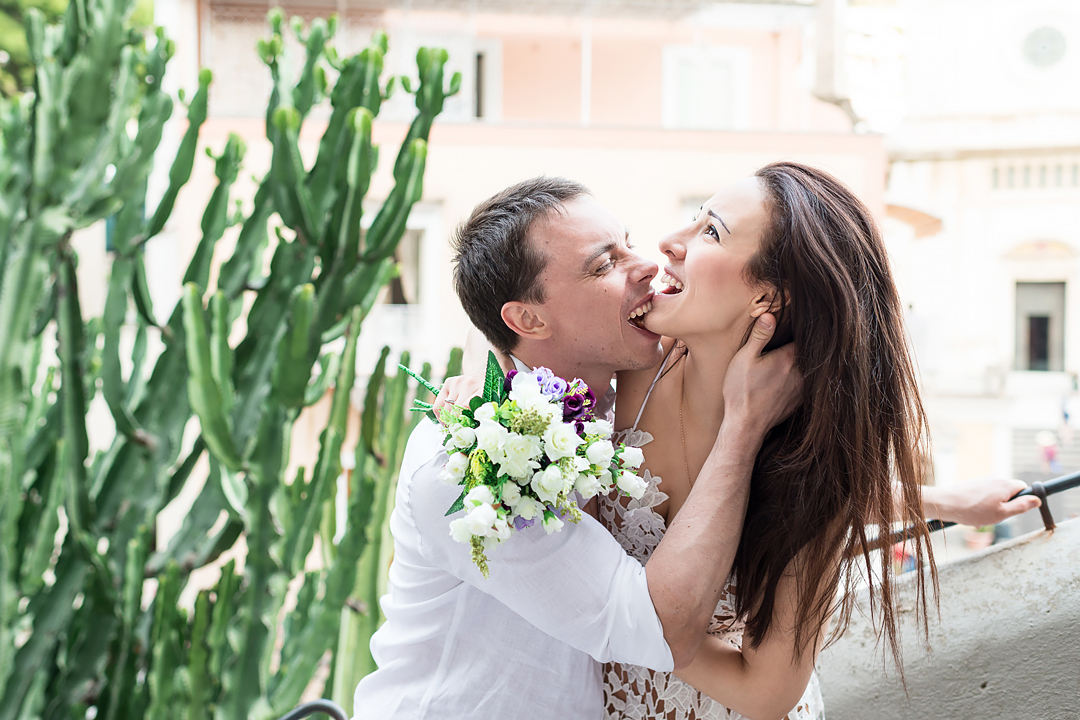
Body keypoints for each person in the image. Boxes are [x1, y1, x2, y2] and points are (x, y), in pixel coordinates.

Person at [594, 162, 1041, 719]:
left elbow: (767, 692)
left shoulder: (806, 461)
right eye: (694, 219)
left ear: (768, 299)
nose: (669, 242)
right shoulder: (635, 365)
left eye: (711, 231)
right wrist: (484, 386)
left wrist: (627, 618)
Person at [351, 177, 803, 720]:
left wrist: (930, 501)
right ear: (529, 320)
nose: (646, 263)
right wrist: (744, 425)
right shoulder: (468, 463)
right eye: (603, 264)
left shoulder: (630, 390)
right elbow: (659, 630)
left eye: (628, 241)